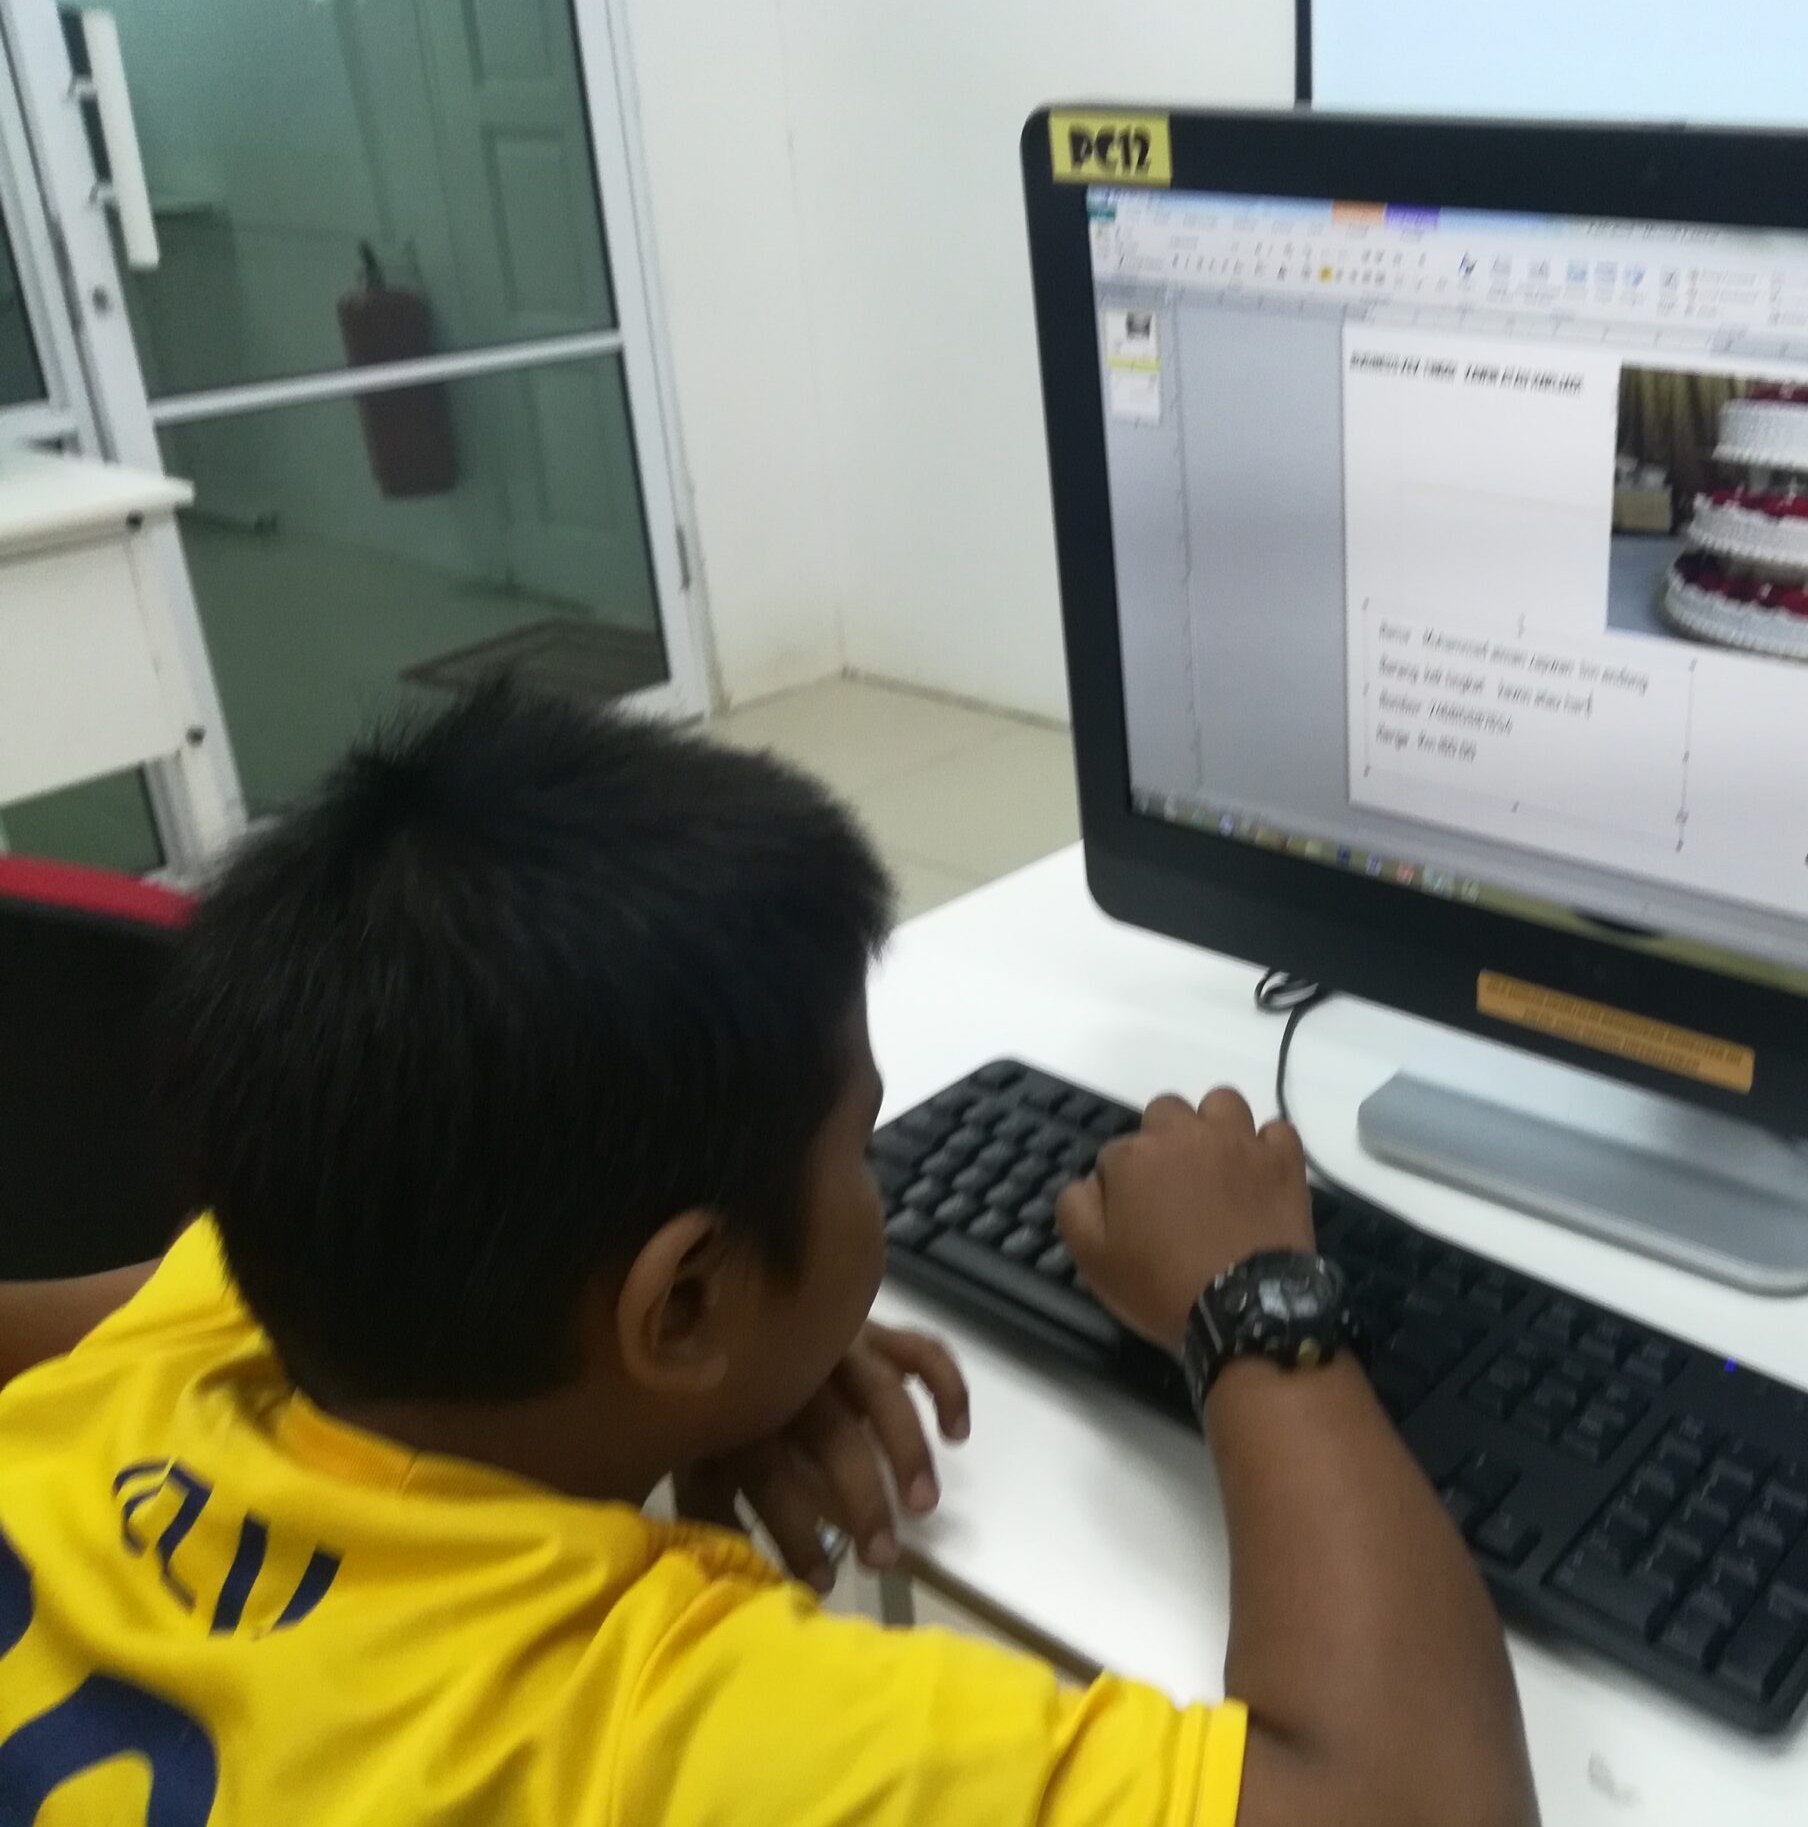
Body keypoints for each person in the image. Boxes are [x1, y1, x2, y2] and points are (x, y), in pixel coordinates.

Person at [0, 687, 1534, 1827]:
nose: (874, 1178)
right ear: (676, 1300)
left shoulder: (205, 1321)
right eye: (860, 1145)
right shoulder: (648, 1732)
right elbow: (1413, 1808)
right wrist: (1251, 1297)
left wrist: (686, 1387)